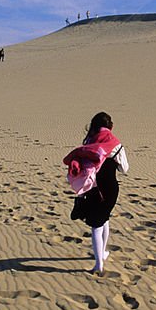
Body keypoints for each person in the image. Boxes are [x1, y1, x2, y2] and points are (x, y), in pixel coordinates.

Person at [63, 112, 129, 275]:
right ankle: (102, 254)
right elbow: (124, 169)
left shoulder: (89, 143)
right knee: (103, 220)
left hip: (94, 190)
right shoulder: (116, 145)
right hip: (111, 189)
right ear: (110, 127)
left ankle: (99, 263)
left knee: (96, 226)